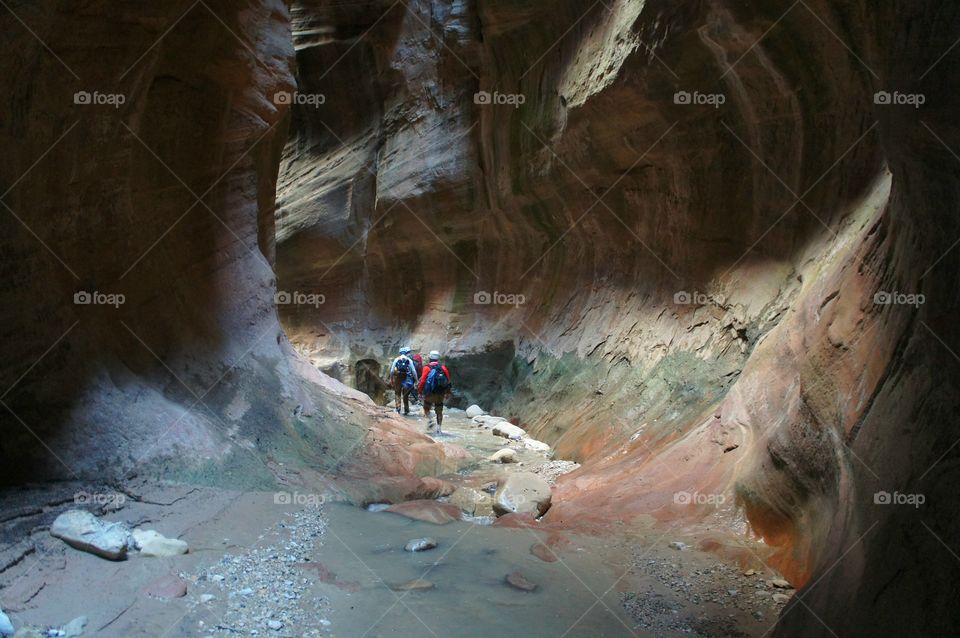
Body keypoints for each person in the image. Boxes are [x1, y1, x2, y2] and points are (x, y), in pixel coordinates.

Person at [418, 350, 452, 433]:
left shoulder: (427, 368)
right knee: (439, 411)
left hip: (429, 393)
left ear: (430, 358)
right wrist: (448, 392)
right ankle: (439, 429)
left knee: (426, 408)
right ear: (438, 359)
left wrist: (420, 392)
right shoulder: (443, 368)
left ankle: (430, 420)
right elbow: (448, 381)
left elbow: (422, 381)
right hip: (440, 393)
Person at [389, 346, 418, 415]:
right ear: (406, 352)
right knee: (405, 395)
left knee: (397, 394)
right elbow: (413, 371)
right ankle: (406, 410)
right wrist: (416, 380)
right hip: (406, 378)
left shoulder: (396, 359)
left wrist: (391, 379)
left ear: (400, 352)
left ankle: (398, 409)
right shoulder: (409, 360)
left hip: (398, 378)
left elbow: (392, 371)